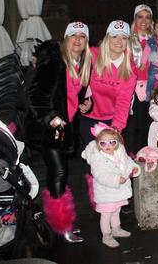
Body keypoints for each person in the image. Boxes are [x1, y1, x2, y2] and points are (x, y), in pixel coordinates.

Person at [26, 22, 92, 243]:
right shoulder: (55, 61)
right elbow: (36, 94)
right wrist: (50, 116)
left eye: (82, 36)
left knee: (58, 173)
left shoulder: (81, 63)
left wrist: (85, 105)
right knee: (60, 172)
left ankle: (59, 223)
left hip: (65, 127)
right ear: (65, 39)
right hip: (48, 127)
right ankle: (62, 225)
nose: (77, 39)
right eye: (73, 35)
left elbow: (71, 95)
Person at [81, 123, 140, 248]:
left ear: (117, 142)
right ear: (98, 144)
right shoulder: (97, 158)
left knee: (116, 210)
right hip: (106, 192)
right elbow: (100, 175)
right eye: (103, 143)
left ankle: (116, 229)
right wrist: (116, 179)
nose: (108, 146)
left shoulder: (120, 151)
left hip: (117, 191)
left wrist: (134, 168)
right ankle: (106, 235)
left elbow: (128, 162)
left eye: (112, 142)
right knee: (106, 214)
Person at [80, 20, 136, 146]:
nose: (119, 41)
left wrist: (115, 129)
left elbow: (123, 102)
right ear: (107, 38)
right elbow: (71, 58)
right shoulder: (93, 55)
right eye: (114, 36)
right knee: (93, 161)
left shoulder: (129, 70)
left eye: (124, 37)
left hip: (111, 120)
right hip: (88, 117)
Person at [125, 3, 154, 153]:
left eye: (147, 17)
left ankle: (146, 155)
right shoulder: (127, 39)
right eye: (140, 17)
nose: (144, 21)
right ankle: (131, 156)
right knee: (132, 125)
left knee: (148, 124)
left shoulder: (156, 38)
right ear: (135, 19)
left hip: (152, 87)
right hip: (132, 87)